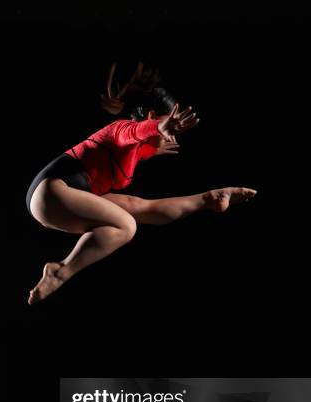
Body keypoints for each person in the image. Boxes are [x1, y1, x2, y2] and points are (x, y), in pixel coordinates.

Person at [26, 61, 256, 303]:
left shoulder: (140, 150)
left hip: (58, 195)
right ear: (151, 117)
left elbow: (138, 146)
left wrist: (153, 145)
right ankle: (60, 272)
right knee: (126, 226)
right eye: (171, 128)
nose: (172, 135)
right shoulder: (120, 129)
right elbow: (134, 133)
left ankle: (209, 198)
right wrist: (158, 126)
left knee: (137, 207)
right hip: (52, 190)